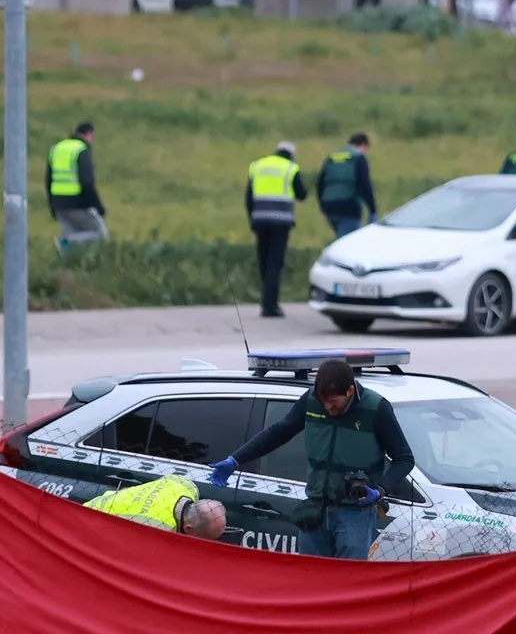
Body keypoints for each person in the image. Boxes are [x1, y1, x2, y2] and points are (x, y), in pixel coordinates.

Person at [208, 359, 415, 560]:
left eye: (334, 402)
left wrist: (379, 489)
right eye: (323, 401)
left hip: (354, 514)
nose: (328, 408)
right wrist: (235, 460)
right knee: (312, 581)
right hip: (314, 512)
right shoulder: (311, 400)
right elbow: (278, 433)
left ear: (350, 391)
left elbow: (404, 459)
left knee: (347, 583)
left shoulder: (376, 408)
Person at [246, 141, 309, 318]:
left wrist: (252, 218)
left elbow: (248, 197)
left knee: (264, 262)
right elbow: (302, 194)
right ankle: (270, 306)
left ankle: (266, 299)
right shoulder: (290, 168)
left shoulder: (257, 166)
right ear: (291, 154)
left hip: (260, 221)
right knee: (275, 263)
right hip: (281, 223)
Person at [83, 474, 227, 539]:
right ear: (188, 528)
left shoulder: (185, 485)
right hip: (87, 524)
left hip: (92, 507)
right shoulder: (159, 530)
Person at [46, 121, 107, 256]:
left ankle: (68, 268)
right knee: (100, 234)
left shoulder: (57, 148)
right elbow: (86, 182)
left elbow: (48, 180)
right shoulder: (81, 150)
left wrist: (51, 205)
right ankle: (66, 242)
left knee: (73, 243)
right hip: (78, 203)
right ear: (89, 134)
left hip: (58, 203)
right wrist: (97, 206)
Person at [317, 132, 379, 239]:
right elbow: (365, 185)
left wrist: (323, 205)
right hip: (349, 206)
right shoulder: (358, 158)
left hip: (329, 206)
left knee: (341, 238)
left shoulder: (331, 157)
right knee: (349, 242)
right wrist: (372, 210)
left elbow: (319, 184)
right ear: (363, 145)